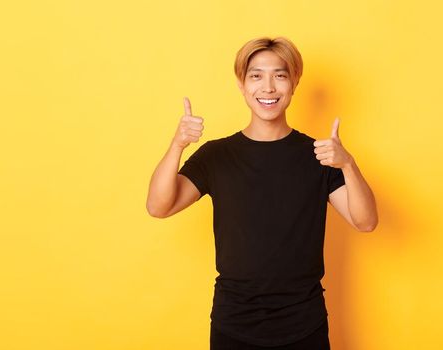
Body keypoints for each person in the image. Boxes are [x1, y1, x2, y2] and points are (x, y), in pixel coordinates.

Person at [145, 36, 378, 349]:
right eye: (256, 76)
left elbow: (365, 221)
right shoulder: (217, 156)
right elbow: (159, 206)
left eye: (279, 75)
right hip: (234, 323)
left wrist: (347, 163)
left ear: (294, 83)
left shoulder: (319, 155)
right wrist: (178, 145)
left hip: (304, 322)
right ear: (242, 85)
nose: (268, 87)